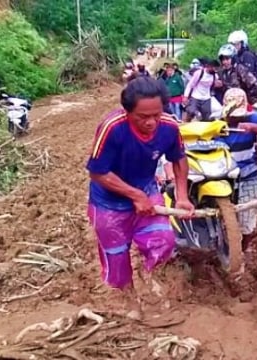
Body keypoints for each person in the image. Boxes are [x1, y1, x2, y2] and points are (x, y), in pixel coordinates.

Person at [86, 77, 194, 315]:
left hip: (147, 189)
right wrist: (134, 195)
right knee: (116, 255)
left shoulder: (169, 126)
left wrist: (182, 196)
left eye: (156, 114)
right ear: (127, 112)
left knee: (163, 241)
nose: (151, 122)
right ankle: (130, 298)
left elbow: (179, 158)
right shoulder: (112, 128)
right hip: (109, 201)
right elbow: (97, 172)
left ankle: (150, 275)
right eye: (142, 117)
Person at [216, 88, 257, 272]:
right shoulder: (216, 120)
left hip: (248, 175)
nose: (236, 120)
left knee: (248, 223)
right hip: (221, 177)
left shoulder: (254, 118)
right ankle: (223, 247)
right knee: (218, 216)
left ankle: (243, 249)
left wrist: (253, 128)